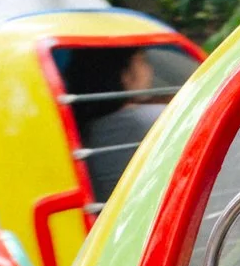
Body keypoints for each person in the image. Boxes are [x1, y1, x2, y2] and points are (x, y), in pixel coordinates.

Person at [62, 45, 174, 204]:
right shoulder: (158, 118)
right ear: (123, 74)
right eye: (142, 61)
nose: (149, 69)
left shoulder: (81, 126)